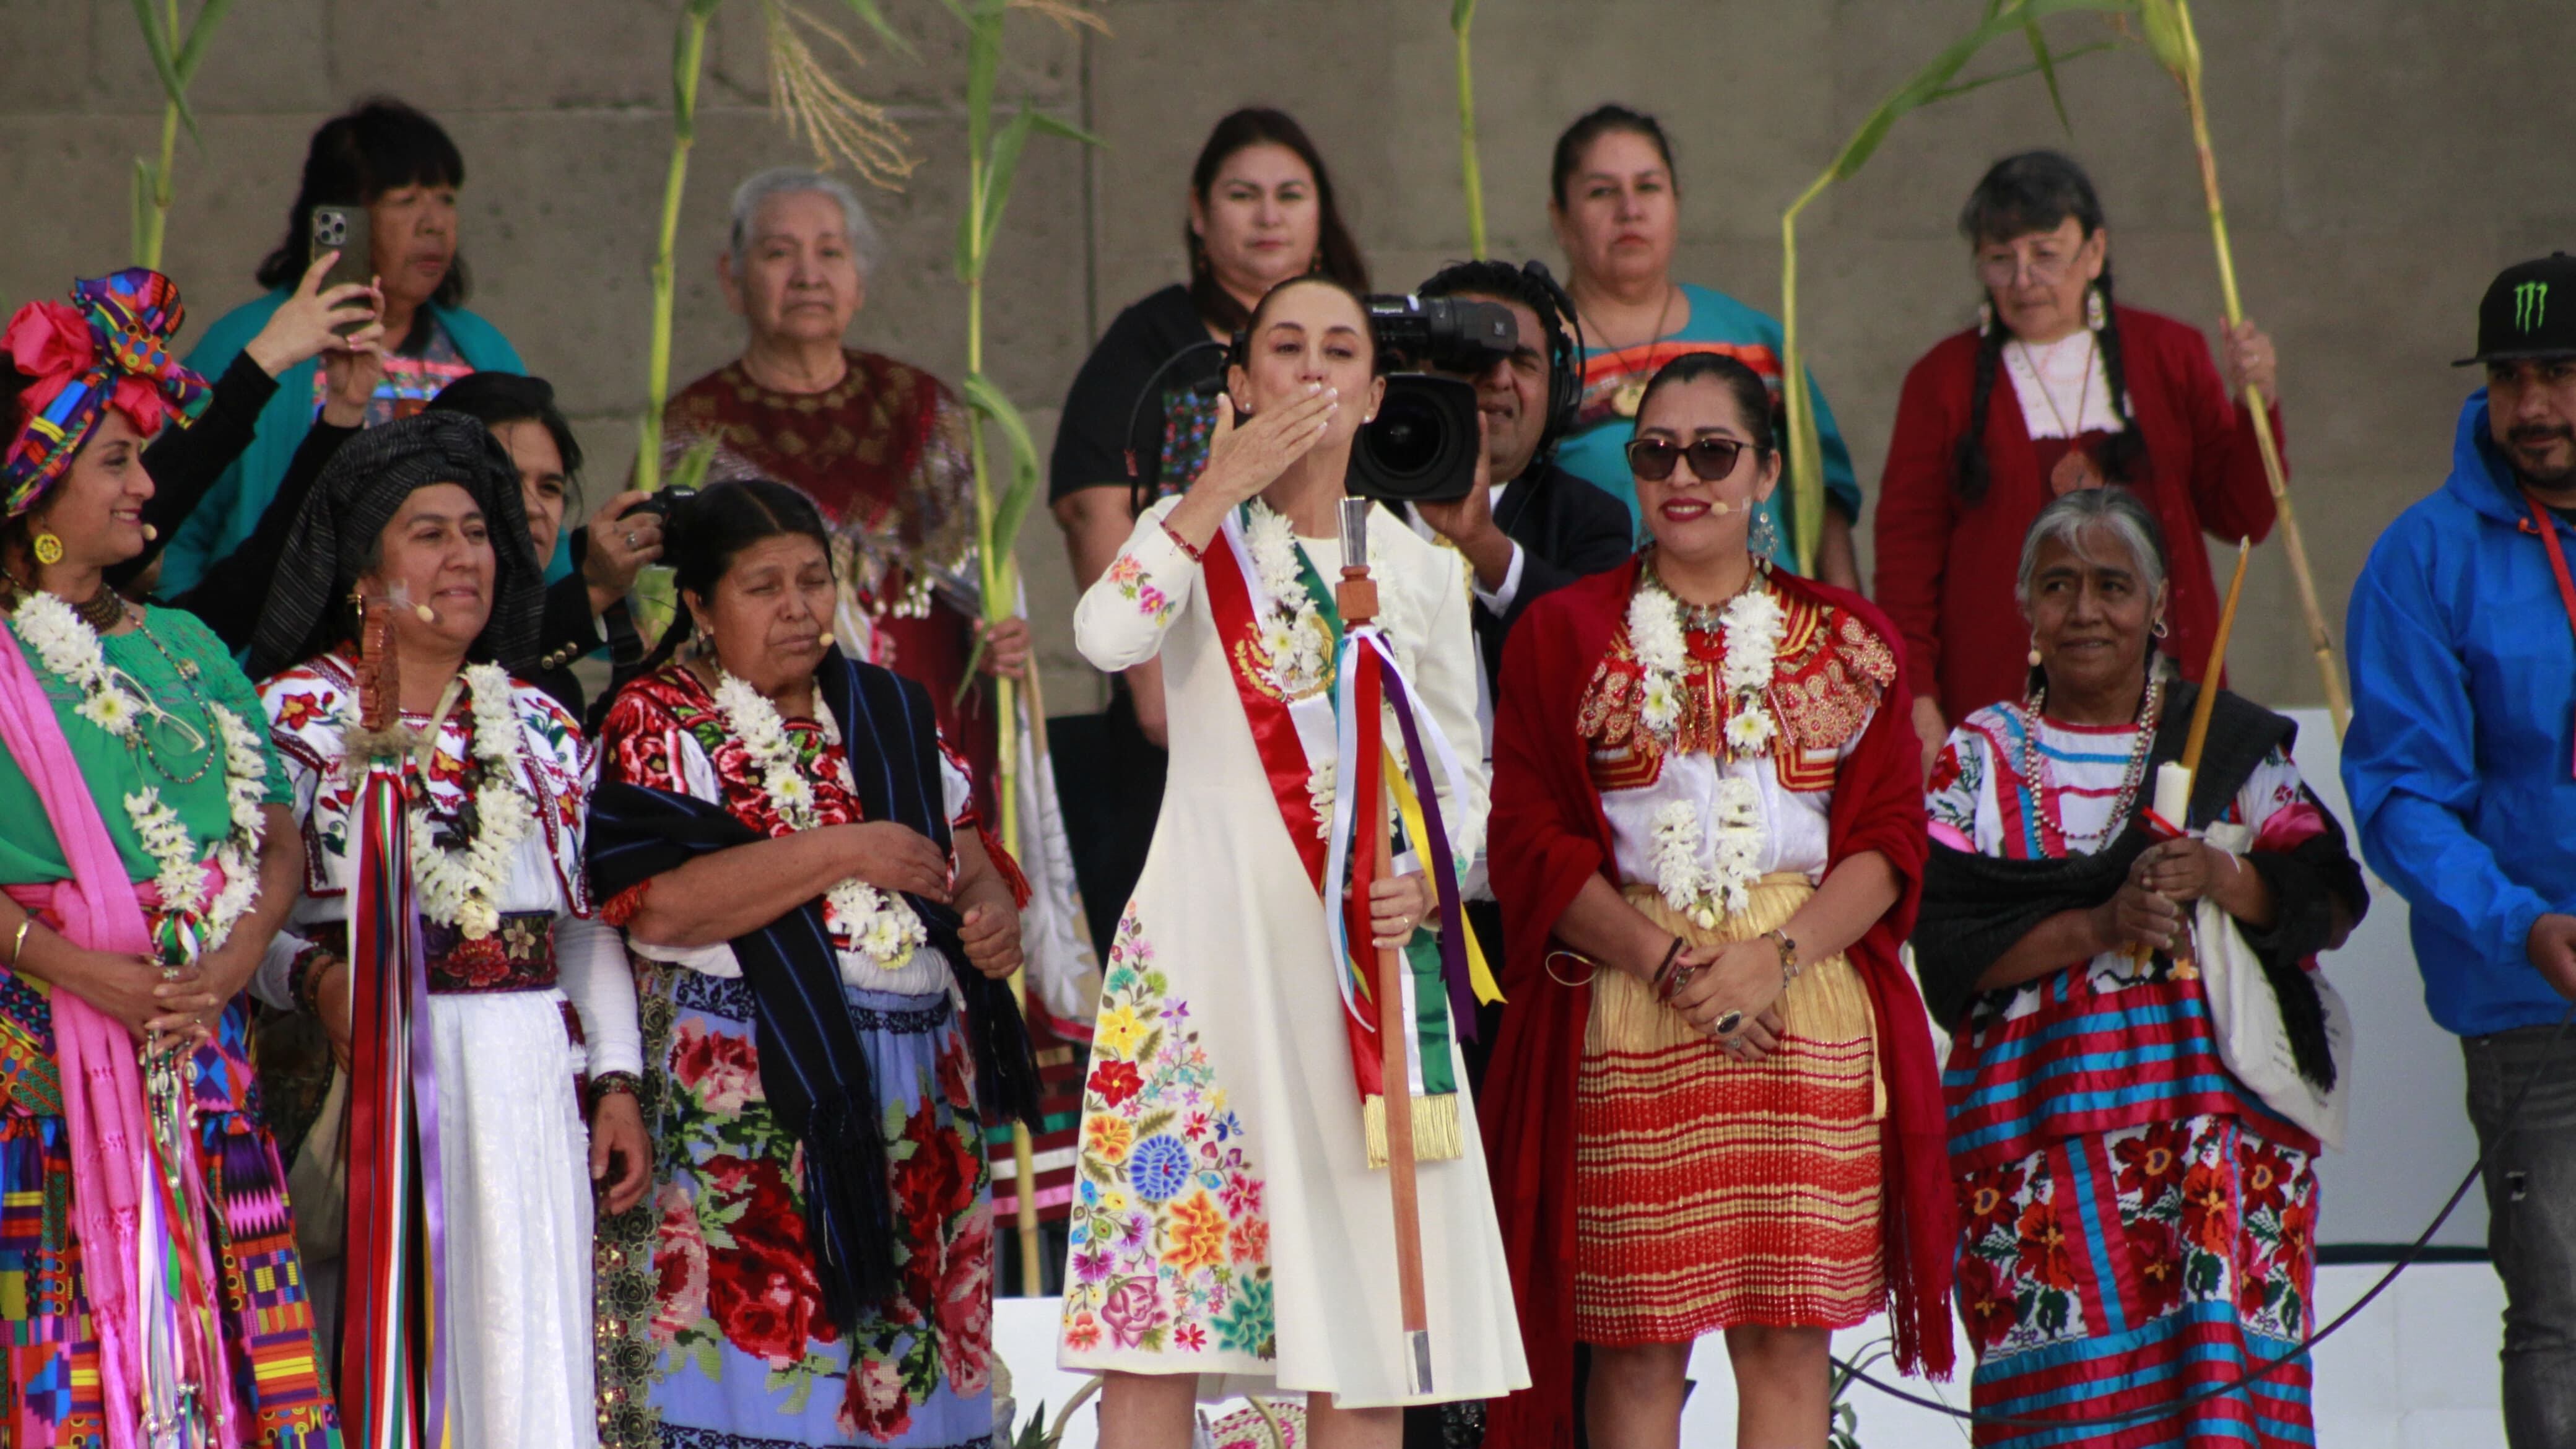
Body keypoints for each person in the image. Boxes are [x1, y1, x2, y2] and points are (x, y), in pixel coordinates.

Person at [1059, 276, 1525, 1447]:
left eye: (1339, 352)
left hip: (1359, 982)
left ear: (1375, 396)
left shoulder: (1421, 571)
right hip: (1200, 970)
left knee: (1356, 1335)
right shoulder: (1195, 534)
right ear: (1241, 382)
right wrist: (1214, 487)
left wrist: (1437, 873)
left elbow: (1470, 794)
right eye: (1284, 348)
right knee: (1155, 1324)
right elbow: (1105, 636)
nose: (1313, 371)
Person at [1481, 353, 1952, 1449]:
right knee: (1639, 1344)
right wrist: (1667, 961)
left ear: (1769, 471)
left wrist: (1771, 960)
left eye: (1713, 451)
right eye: (1655, 453)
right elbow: (1532, 841)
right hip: (1633, 997)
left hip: (1804, 1004)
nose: (1682, 475)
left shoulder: (1853, 640)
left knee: (1789, 1340)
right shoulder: (1561, 636)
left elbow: (1888, 842)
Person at [660, 165, 1095, 1287]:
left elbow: (968, 592)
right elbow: (678, 615)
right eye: (779, 252)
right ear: (730, 276)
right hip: (775, 770)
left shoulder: (924, 407)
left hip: (915, 749)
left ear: (860, 279)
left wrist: (1004, 645)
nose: (807, 274)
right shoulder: (697, 422)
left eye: (830, 252)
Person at [587, 478, 1033, 1446]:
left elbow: (967, 854)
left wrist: (991, 914)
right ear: (698, 606)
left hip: (918, 1094)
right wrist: (845, 849)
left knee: (906, 1375)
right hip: (750, 1098)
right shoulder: (657, 719)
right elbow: (654, 902)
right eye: (762, 587)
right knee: (772, 1375)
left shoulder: (887, 708)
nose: (798, 608)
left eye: (813, 581)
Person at [1915, 487, 2364, 1447]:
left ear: (2161, 608)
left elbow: (2329, 897)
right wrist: (2097, 924)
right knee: (2065, 1416)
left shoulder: (2233, 746)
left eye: (2113, 586)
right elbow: (1944, 945)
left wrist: (2221, 873)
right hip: (2036, 1155)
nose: (2085, 610)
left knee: (2219, 1405)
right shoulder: (1980, 756)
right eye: (2059, 586)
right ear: (2026, 609)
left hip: (2216, 1158)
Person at [246, 411, 649, 1447]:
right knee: (382, 1360)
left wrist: (614, 1081)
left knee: (523, 1361)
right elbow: (240, 918)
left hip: (523, 1089)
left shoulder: (545, 724)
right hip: (361, 1082)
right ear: (362, 570)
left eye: (477, 529)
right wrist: (313, 983)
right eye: (429, 533)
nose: (465, 554)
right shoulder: (284, 719)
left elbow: (583, 927)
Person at [0, 269, 340, 1443]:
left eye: (146, 460)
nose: (150, 485)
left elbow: (278, 834)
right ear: (35, 486)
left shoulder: (185, 643)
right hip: (38, 1056)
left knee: (238, 1340)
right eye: (117, 462)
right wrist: (85, 970)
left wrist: (241, 955)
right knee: (68, 1348)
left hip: (204, 1045)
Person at [2344, 251, 2576, 1448]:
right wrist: (2524, 924)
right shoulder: (2422, 559)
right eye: (2510, 377)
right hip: (2529, 1000)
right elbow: (2399, 800)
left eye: (2560, 374)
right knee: (2560, 1315)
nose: (2533, 405)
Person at [1046, 107, 1371, 952]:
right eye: (1243, 195)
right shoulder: (1151, 340)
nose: (1268, 215)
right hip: (1192, 700)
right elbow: (1093, 502)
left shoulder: (1365, 333)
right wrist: (1151, 690)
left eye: (1290, 195)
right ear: (1199, 211)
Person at [1874, 150, 2283, 767]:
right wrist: (1918, 698)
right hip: (2000, 699)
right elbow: (1906, 562)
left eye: (2044, 254)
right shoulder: (1941, 381)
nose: (2022, 280)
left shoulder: (2169, 355)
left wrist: (2258, 403)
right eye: (1998, 260)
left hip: (2162, 691)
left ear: (2093, 253)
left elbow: (2243, 518)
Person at [1403, 258, 1630, 1093]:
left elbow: (1605, 659)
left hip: (1532, 911)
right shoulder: (1346, 509)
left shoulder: (1589, 521)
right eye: (1472, 358)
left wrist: (1482, 547)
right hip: (1379, 904)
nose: (1497, 382)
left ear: (1556, 388)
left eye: (1523, 362)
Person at [162, 97, 528, 597]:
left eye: (446, 199)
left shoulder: (484, 353)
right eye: (406, 200)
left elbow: (529, 525)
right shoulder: (251, 346)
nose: (434, 224)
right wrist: (205, 656)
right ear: (341, 218)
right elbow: (176, 532)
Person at [1545, 104, 1863, 585]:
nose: (1629, 210)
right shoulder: (1538, 360)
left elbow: (1823, 505)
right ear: (1560, 218)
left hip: (1766, 637)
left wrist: (1849, 634)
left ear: (1677, 201)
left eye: (1648, 187)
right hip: (1606, 644)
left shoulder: (1752, 340)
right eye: (1601, 192)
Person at [429, 372, 660, 719]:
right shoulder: (401, 637)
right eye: (506, 480)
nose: (533, 508)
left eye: (550, 488)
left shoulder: (556, 693)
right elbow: (482, 660)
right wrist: (595, 589)